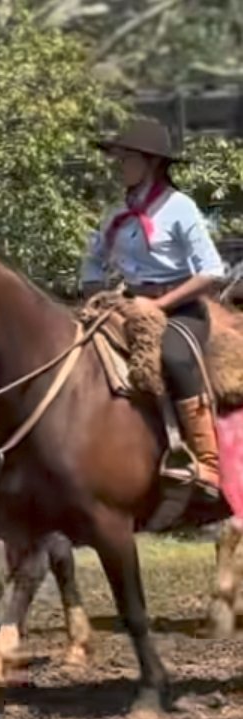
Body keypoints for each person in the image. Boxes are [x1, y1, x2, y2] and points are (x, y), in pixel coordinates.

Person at [81, 117, 225, 498]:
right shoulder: (115, 213)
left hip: (180, 306)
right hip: (129, 302)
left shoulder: (181, 207)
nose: (119, 165)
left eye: (126, 157)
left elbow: (212, 271)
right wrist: (94, 291)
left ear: (152, 162)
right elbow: (94, 259)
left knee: (175, 358)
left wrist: (160, 304)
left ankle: (207, 462)